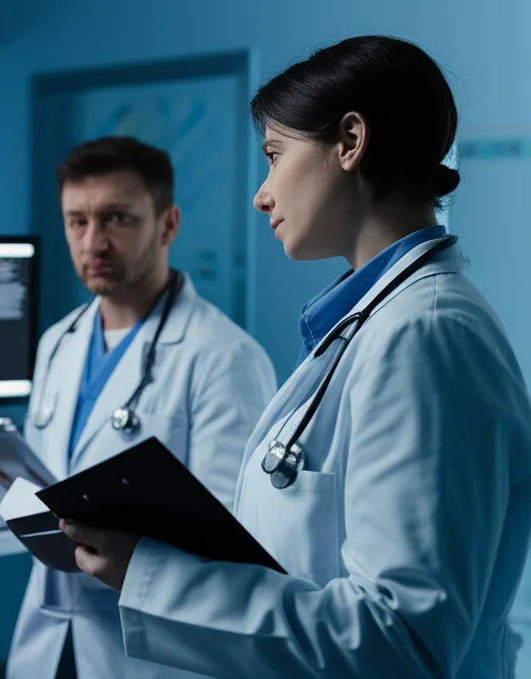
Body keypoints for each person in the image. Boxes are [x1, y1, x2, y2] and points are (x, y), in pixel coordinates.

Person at [60, 35, 531, 679]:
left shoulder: (427, 334)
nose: (262, 194)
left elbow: (401, 642)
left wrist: (153, 577)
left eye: (276, 156)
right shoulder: (378, 326)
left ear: (349, 142)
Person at [0, 136, 278, 678]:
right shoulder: (59, 342)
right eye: (77, 221)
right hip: (53, 638)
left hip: (153, 650)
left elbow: (229, 535)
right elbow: (35, 484)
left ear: (167, 225)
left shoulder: (223, 357)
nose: (95, 242)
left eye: (118, 219)